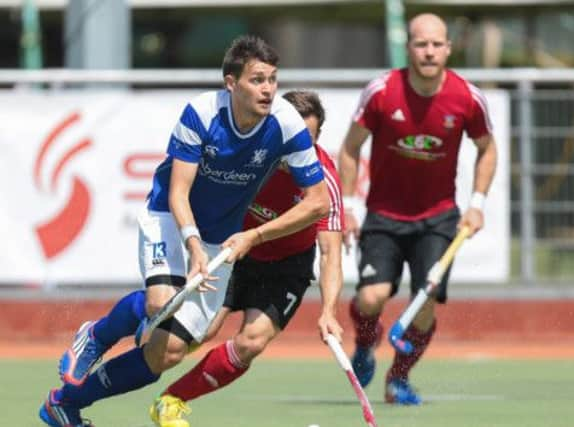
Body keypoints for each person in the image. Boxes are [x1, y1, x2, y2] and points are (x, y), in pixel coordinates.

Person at [39, 35, 331, 427]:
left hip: (222, 236)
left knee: (169, 351)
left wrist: (253, 236)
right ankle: (96, 335)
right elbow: (178, 191)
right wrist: (193, 244)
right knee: (161, 300)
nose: (268, 89)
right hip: (169, 216)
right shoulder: (201, 112)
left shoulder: (287, 123)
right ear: (231, 83)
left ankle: (65, 404)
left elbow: (318, 203)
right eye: (257, 80)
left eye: (273, 79)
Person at [147, 89, 345, 427]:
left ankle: (172, 400)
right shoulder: (250, 156)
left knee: (251, 342)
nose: (294, 152)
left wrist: (328, 311)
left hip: (287, 265)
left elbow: (330, 252)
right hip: (232, 251)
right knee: (185, 341)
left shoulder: (321, 182)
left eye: (306, 140)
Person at [338, 13, 497, 405]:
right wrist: (350, 207)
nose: (428, 51)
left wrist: (476, 204)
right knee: (371, 299)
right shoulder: (381, 91)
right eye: (420, 44)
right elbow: (349, 148)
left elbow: (487, 149)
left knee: (423, 303)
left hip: (439, 220)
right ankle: (365, 340)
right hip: (383, 216)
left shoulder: (467, 98)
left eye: (436, 44)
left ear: (448, 48)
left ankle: (399, 379)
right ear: (408, 47)